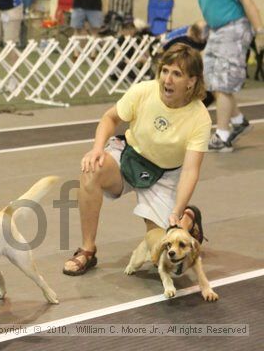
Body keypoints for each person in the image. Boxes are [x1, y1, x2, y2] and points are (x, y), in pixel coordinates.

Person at [62, 44, 211, 276]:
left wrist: (178, 209)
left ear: (191, 81)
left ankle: (188, 218)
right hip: (129, 157)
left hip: (164, 175)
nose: (167, 80)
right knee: (92, 170)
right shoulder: (143, 91)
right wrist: (97, 149)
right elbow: (110, 118)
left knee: (164, 257)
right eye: (165, 71)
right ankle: (87, 250)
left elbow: (191, 170)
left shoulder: (199, 117)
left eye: (177, 74)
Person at [193, 0, 264, 152]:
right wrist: (205, 24)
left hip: (234, 29)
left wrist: (260, 31)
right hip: (216, 31)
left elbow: (246, 1)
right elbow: (214, 7)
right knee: (210, 80)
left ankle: (222, 135)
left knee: (223, 83)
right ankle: (238, 121)